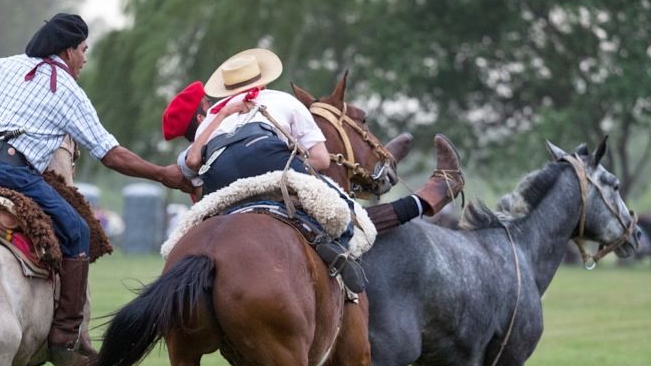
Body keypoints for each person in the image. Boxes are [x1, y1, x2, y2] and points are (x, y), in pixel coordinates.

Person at [0, 13, 193, 360]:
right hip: (10, 172)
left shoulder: (1, 65)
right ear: (68, 50)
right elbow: (110, 154)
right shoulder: (67, 91)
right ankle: (66, 332)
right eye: (84, 50)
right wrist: (164, 175)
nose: (86, 59)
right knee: (77, 231)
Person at [162, 51, 464, 288]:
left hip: (221, 185)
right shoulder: (283, 100)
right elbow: (320, 161)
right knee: (345, 214)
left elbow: (190, 165)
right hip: (272, 167)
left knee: (181, 243)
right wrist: (295, 155)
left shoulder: (217, 114)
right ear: (262, 80)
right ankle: (351, 243)